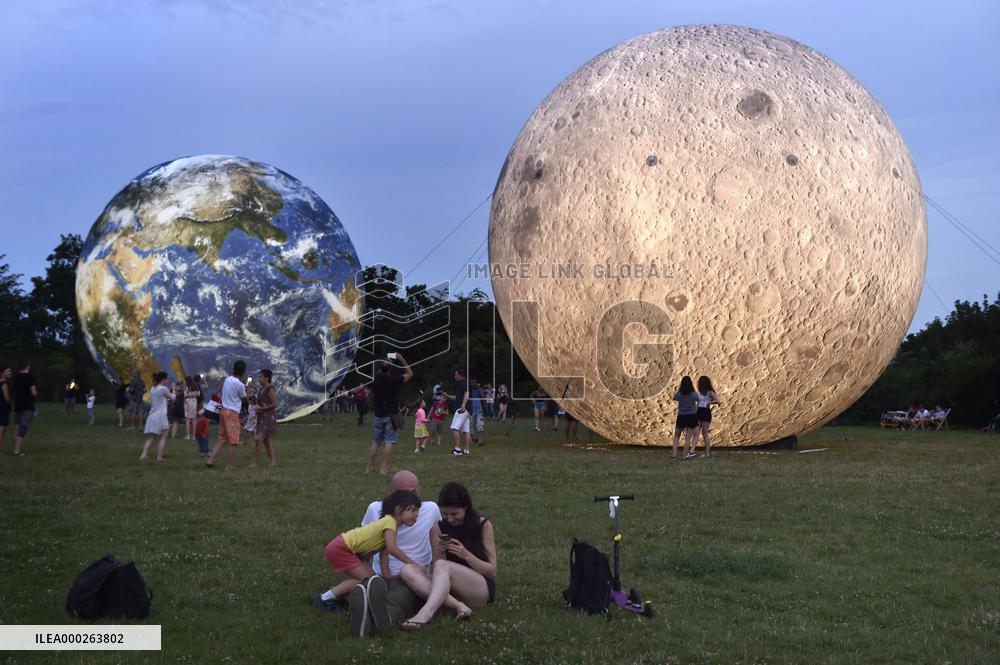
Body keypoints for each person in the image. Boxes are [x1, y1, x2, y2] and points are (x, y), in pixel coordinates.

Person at [314, 471, 442, 636]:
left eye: (412, 494)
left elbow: (437, 541)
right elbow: (369, 544)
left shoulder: (430, 509)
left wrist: (436, 572)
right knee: (369, 585)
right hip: (379, 576)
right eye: (401, 496)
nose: (409, 502)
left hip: (411, 579)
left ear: (419, 490)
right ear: (390, 496)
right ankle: (355, 605)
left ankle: (374, 618)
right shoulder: (376, 510)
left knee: (398, 598)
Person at [399, 482, 497, 629]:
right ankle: (458, 606)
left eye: (454, 514)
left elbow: (491, 570)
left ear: (466, 507)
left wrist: (466, 555)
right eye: (445, 514)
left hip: (479, 589)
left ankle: (425, 614)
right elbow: (439, 569)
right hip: (450, 588)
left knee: (443, 566)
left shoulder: (483, 525)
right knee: (406, 570)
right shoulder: (437, 528)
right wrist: (440, 552)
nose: (450, 519)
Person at [320, 489, 421, 612]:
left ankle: (339, 596)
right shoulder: (390, 522)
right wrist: (412, 564)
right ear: (398, 509)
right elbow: (392, 548)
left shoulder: (390, 524)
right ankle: (325, 599)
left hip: (346, 549)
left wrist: (387, 578)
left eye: (417, 511)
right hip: (341, 548)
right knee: (365, 580)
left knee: (372, 580)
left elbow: (384, 554)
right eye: (413, 510)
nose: (416, 514)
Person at [368, 352, 413, 475]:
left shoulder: (376, 379)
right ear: (391, 369)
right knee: (389, 441)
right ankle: (383, 469)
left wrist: (386, 360)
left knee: (376, 442)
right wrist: (401, 359)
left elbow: (381, 369)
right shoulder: (395, 380)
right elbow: (410, 373)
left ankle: (369, 468)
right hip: (391, 415)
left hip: (378, 415)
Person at [206, 360, 248, 469]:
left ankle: (210, 460)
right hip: (232, 413)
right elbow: (244, 399)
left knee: (222, 438)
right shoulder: (240, 385)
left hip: (223, 411)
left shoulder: (227, 380)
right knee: (233, 441)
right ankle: (230, 465)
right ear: (243, 372)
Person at [140, 372, 174, 461]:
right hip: (161, 416)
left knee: (152, 437)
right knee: (163, 437)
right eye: (166, 378)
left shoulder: (153, 389)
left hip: (152, 415)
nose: (167, 380)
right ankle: (159, 457)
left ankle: (143, 454)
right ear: (163, 379)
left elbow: (161, 399)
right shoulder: (164, 388)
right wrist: (174, 389)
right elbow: (173, 398)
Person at [251, 369, 278, 467]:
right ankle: (273, 462)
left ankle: (255, 463)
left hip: (267, 418)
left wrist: (263, 408)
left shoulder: (269, 388)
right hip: (261, 417)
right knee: (266, 441)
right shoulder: (262, 388)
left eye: (260, 377)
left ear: (267, 378)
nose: (259, 379)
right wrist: (257, 408)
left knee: (258, 439)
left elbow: (275, 403)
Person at [12, 359, 37, 456]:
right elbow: (33, 392)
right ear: (27, 366)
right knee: (23, 428)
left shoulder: (16, 377)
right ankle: (16, 450)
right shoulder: (30, 378)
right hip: (27, 406)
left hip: (18, 405)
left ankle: (15, 447)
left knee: (16, 427)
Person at [444, 369, 472, 456]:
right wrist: (447, 396)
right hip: (467, 411)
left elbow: (466, 394)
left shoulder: (464, 382)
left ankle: (457, 450)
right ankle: (466, 450)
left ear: (460, 375)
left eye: (455, 375)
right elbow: (457, 397)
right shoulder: (462, 383)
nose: (454, 376)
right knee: (466, 430)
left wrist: (463, 405)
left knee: (455, 428)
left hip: (462, 409)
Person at [672, 376, 700, 459]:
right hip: (692, 416)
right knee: (688, 437)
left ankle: (674, 455)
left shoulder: (680, 394)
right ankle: (684, 456)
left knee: (677, 435)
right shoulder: (694, 394)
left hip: (681, 416)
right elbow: (699, 400)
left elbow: (674, 398)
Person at [695, 376, 721, 458]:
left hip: (705, 412)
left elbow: (718, 401)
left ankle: (707, 453)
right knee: (696, 432)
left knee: (704, 433)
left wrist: (709, 403)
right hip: (698, 411)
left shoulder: (710, 392)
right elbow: (698, 403)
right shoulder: (699, 392)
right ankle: (691, 451)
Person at [468, 377, 486, 446]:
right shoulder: (468, 390)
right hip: (471, 410)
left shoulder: (478, 389)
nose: (473, 384)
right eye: (472, 382)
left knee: (480, 425)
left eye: (474, 382)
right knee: (471, 425)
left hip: (479, 410)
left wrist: (479, 388)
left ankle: (480, 441)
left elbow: (484, 398)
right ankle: (471, 439)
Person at [0, 366, 12, 451]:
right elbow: (7, 398)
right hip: (2, 408)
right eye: (7, 371)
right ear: (2, 373)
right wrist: (12, 405)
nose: (9, 373)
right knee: (1, 429)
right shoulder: (4, 384)